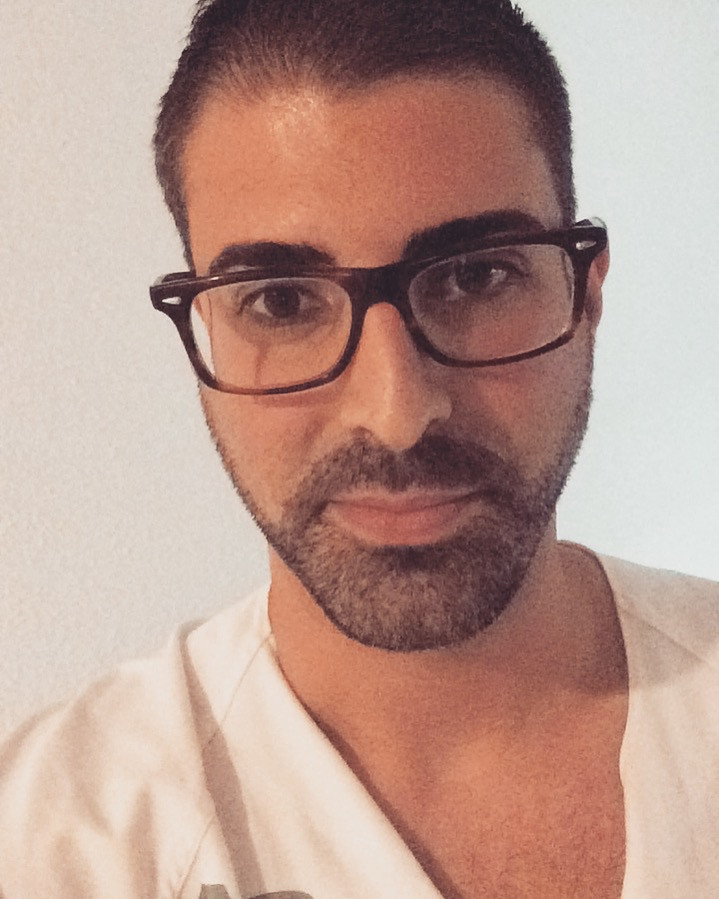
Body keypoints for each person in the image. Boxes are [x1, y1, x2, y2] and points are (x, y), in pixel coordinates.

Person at [1, 1, 717, 897]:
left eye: (476, 275)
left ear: (585, 295)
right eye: (282, 301)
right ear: (207, 328)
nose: (396, 412)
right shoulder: (45, 845)